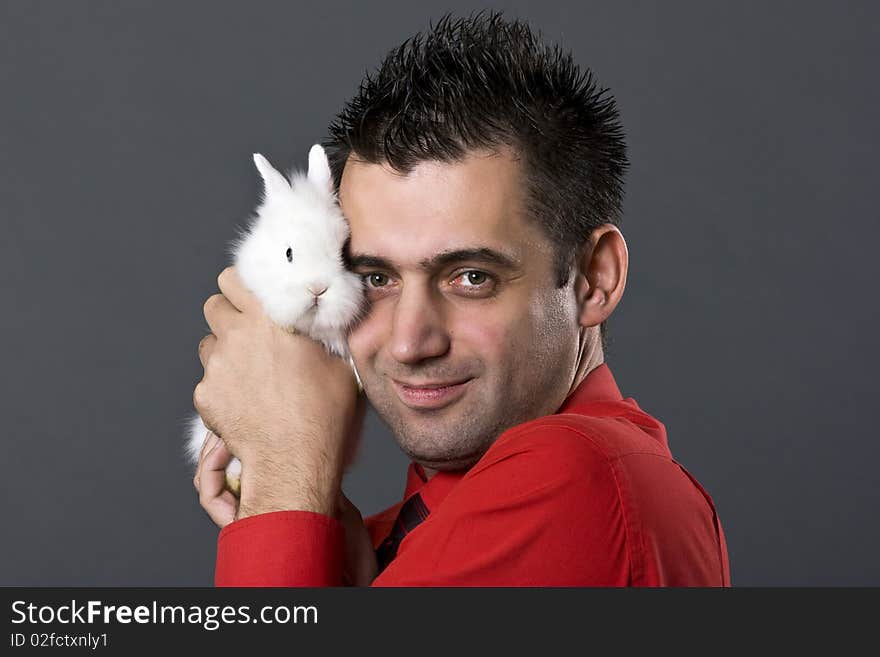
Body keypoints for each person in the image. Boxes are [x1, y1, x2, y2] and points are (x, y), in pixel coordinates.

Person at [192, 11, 731, 586]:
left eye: (470, 277)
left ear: (593, 279)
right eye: (376, 278)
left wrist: (283, 471)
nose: (408, 342)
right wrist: (320, 526)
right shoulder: (398, 534)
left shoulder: (577, 477)